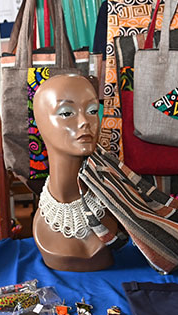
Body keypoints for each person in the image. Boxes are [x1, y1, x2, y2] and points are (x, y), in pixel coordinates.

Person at [30, 74, 118, 271]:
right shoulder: (44, 225)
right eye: (66, 113)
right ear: (41, 122)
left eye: (92, 110)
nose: (84, 121)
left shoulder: (114, 205)